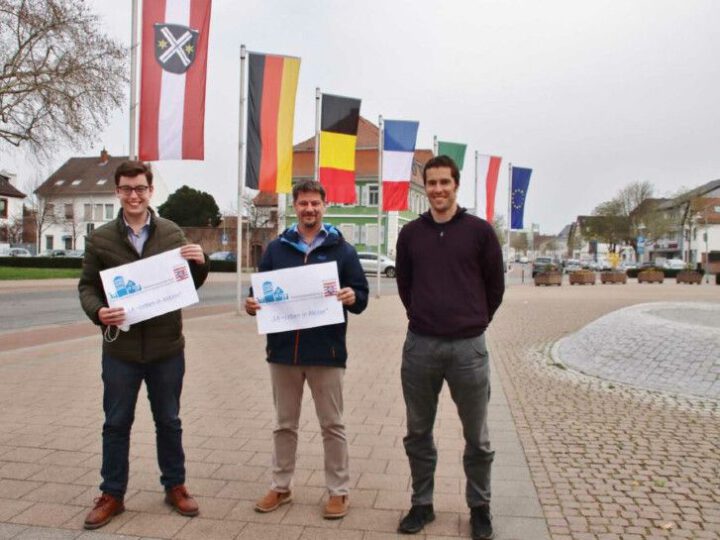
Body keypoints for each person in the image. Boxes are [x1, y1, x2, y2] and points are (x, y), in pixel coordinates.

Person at [78, 161, 209, 530]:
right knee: (116, 423)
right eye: (126, 189)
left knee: (169, 421)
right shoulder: (101, 238)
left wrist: (202, 262)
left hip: (167, 348)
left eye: (140, 188)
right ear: (117, 192)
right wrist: (98, 311)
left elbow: (188, 282)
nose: (133, 195)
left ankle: (175, 486)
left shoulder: (171, 232)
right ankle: (112, 494)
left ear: (151, 190)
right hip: (121, 350)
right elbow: (87, 286)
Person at [395, 155, 505, 539]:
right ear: (425, 187)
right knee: (418, 432)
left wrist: (472, 321)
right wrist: (426, 316)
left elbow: (495, 287)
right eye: (432, 183)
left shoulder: (480, 232)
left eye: (445, 182)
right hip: (420, 347)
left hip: (468, 350)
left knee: (477, 436)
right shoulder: (411, 234)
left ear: (456, 184)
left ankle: (480, 507)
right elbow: (404, 286)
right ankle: (422, 504)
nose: (438, 189)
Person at [245, 179, 368, 519]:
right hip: (283, 353)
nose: (309, 209)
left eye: (315, 203)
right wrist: (252, 304)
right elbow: (260, 293)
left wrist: (352, 296)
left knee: (332, 425)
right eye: (303, 204)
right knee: (284, 424)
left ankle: (339, 492)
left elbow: (362, 296)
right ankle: (281, 487)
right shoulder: (276, 249)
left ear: (324, 206)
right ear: (295, 207)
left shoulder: (342, 250)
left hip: (326, 353)